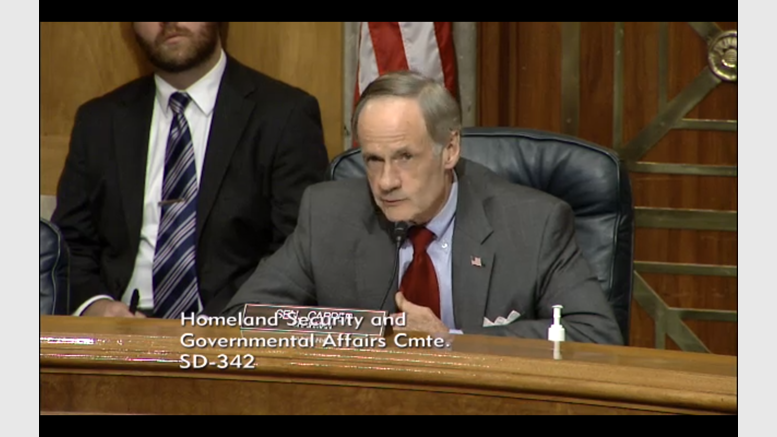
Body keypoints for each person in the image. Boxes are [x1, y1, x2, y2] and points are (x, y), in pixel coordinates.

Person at [222, 70, 623, 344]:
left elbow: (595, 335)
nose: (386, 181)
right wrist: (369, 331)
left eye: (404, 157)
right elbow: (245, 315)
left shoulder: (533, 224)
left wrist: (452, 340)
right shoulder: (329, 214)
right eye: (373, 160)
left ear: (449, 149)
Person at [51, 22, 329, 318]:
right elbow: (69, 245)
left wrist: (218, 323)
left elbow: (296, 249)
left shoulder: (284, 115)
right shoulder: (98, 121)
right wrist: (95, 306)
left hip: (231, 328)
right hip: (119, 328)